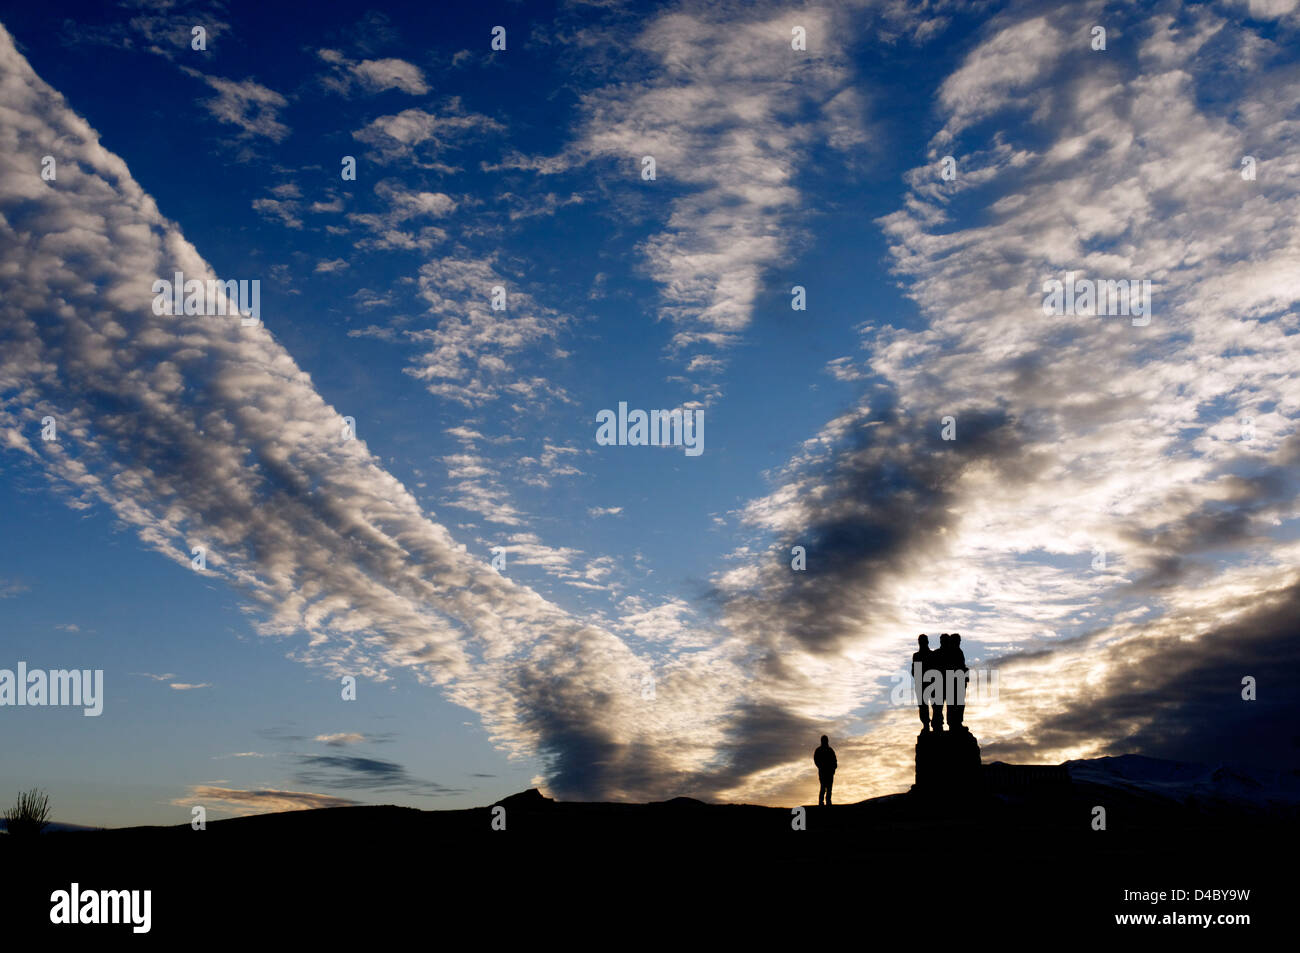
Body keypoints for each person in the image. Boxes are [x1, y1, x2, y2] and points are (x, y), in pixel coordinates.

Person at [946, 633, 969, 729]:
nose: (959, 642)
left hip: (959, 680)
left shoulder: (959, 651)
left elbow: (961, 666)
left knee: (959, 704)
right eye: (957, 640)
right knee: (953, 704)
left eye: (959, 641)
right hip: (954, 681)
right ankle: (953, 724)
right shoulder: (952, 652)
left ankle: (957, 723)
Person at [912, 634, 934, 730]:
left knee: (936, 705)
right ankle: (926, 724)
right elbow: (915, 671)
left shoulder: (932, 655)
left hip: (932, 684)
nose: (921, 643)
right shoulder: (916, 656)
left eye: (923, 641)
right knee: (923, 706)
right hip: (921, 684)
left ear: (927, 642)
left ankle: (936, 725)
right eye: (920, 641)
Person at [931, 633, 951, 730]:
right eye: (943, 640)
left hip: (949, 683)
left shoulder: (953, 654)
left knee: (951, 707)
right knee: (937, 708)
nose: (944, 642)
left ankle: (952, 725)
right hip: (938, 684)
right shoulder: (936, 653)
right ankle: (937, 725)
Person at [814, 735, 837, 806]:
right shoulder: (819, 750)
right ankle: (821, 801)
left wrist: (833, 768)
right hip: (823, 772)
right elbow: (816, 760)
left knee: (829, 788)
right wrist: (820, 767)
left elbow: (834, 760)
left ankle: (828, 801)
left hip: (829, 772)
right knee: (823, 787)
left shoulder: (830, 750)